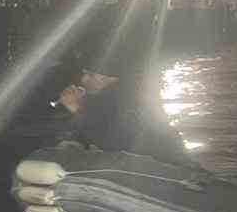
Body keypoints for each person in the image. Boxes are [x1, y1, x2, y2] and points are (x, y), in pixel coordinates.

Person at [55, 69, 191, 166]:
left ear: (109, 77)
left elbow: (118, 145)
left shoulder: (130, 99)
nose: (83, 80)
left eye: (90, 75)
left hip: (166, 170)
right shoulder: (108, 95)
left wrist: (77, 108)